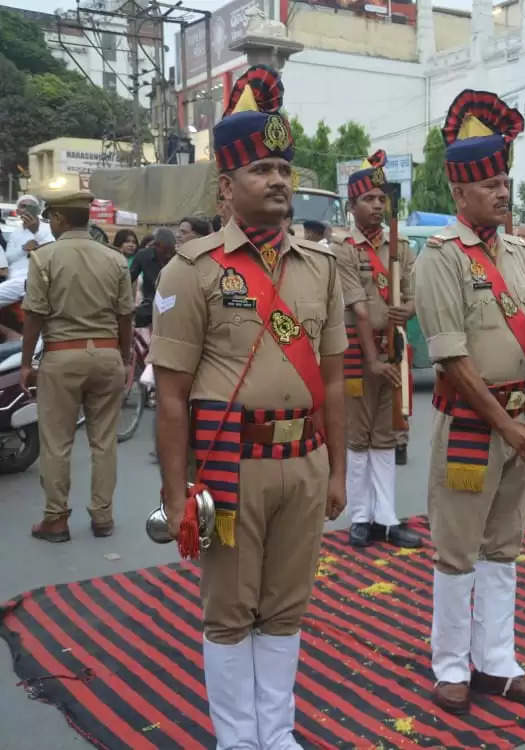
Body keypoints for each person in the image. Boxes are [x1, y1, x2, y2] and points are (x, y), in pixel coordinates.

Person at [150, 65, 347, 749]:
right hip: (230, 467)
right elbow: (170, 398)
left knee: (286, 611)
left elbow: (333, 377)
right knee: (231, 613)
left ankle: (278, 735)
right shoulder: (192, 269)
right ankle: (238, 742)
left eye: (283, 167)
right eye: (261, 168)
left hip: (304, 459)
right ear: (227, 187)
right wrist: (177, 495)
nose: (278, 181)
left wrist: (340, 472)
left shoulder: (321, 267)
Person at [415, 89, 525, 715]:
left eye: (506, 180)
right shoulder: (440, 258)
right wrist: (510, 427)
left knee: (504, 548)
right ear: (461, 193)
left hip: (520, 421)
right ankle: (451, 665)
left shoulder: (523, 255)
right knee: (458, 550)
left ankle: (496, 662)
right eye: (491, 184)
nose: (503, 192)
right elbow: (453, 359)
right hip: (477, 424)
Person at [20, 190, 132, 542]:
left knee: (56, 442)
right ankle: (103, 517)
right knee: (104, 441)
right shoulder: (114, 259)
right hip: (107, 355)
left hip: (62, 356)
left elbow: (34, 315)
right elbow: (125, 315)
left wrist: (25, 364)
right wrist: (125, 358)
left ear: (59, 219)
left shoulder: (44, 258)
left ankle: (56, 519)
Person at [335, 149, 421, 550]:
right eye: (368, 199)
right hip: (358, 348)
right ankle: (360, 517)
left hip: (393, 346)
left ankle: (385, 518)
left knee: (387, 434)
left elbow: (416, 293)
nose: (376, 205)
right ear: (352, 206)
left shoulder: (399, 245)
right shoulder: (344, 249)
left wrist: (409, 309)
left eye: (381, 199)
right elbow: (358, 308)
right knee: (358, 435)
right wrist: (371, 359)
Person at [0, 195, 55, 309]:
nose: (26, 209)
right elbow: (8, 258)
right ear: (18, 211)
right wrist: (23, 249)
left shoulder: (49, 228)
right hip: (13, 279)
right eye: (23, 206)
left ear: (38, 210)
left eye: (31, 206)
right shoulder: (15, 232)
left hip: (33, 278)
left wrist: (36, 235)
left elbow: (52, 250)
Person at [130, 228, 176, 330]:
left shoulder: (178, 257)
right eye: (164, 251)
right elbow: (128, 279)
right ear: (155, 246)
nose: (168, 255)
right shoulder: (143, 255)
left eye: (171, 251)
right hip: (149, 304)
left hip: (174, 304)